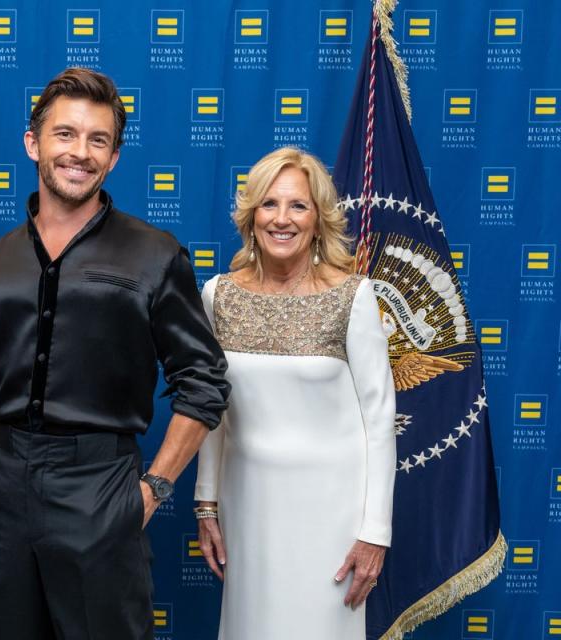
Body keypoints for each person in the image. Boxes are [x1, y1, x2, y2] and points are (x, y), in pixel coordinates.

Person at [0, 67, 231, 640]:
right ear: (33, 143)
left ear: (115, 157)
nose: (80, 152)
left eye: (97, 140)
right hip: (4, 489)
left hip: (101, 482)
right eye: (65, 134)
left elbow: (204, 382)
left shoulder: (154, 254)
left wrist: (154, 489)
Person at [194, 147, 396, 639]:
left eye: (298, 206)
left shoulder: (354, 295)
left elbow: (379, 421)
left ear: (318, 220)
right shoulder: (217, 295)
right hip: (250, 511)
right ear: (251, 216)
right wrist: (207, 505)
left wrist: (375, 532)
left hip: (334, 520)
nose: (282, 219)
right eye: (269, 204)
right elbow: (209, 413)